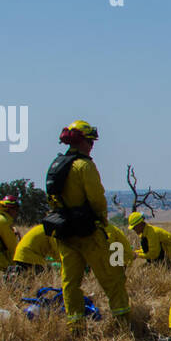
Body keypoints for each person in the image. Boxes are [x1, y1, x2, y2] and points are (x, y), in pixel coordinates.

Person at [46, 120, 130, 325]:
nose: (92, 145)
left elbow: (53, 198)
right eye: (90, 141)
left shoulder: (57, 165)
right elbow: (97, 198)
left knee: (70, 282)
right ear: (81, 141)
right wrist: (101, 220)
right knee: (112, 276)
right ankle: (124, 323)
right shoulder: (84, 166)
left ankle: (75, 325)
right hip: (87, 232)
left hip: (64, 232)